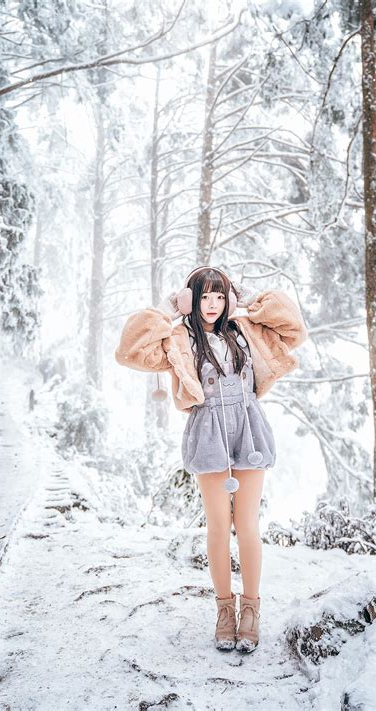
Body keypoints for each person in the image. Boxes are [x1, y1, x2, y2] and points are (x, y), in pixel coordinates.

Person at [115, 265, 308, 653]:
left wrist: (247, 300)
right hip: (209, 430)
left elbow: (293, 327)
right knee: (219, 526)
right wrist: (169, 308)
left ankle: (251, 609)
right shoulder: (179, 337)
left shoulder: (244, 330)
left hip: (248, 426)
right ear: (191, 299)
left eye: (220, 296)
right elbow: (129, 350)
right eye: (204, 296)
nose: (213, 305)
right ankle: (225, 611)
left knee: (247, 524)